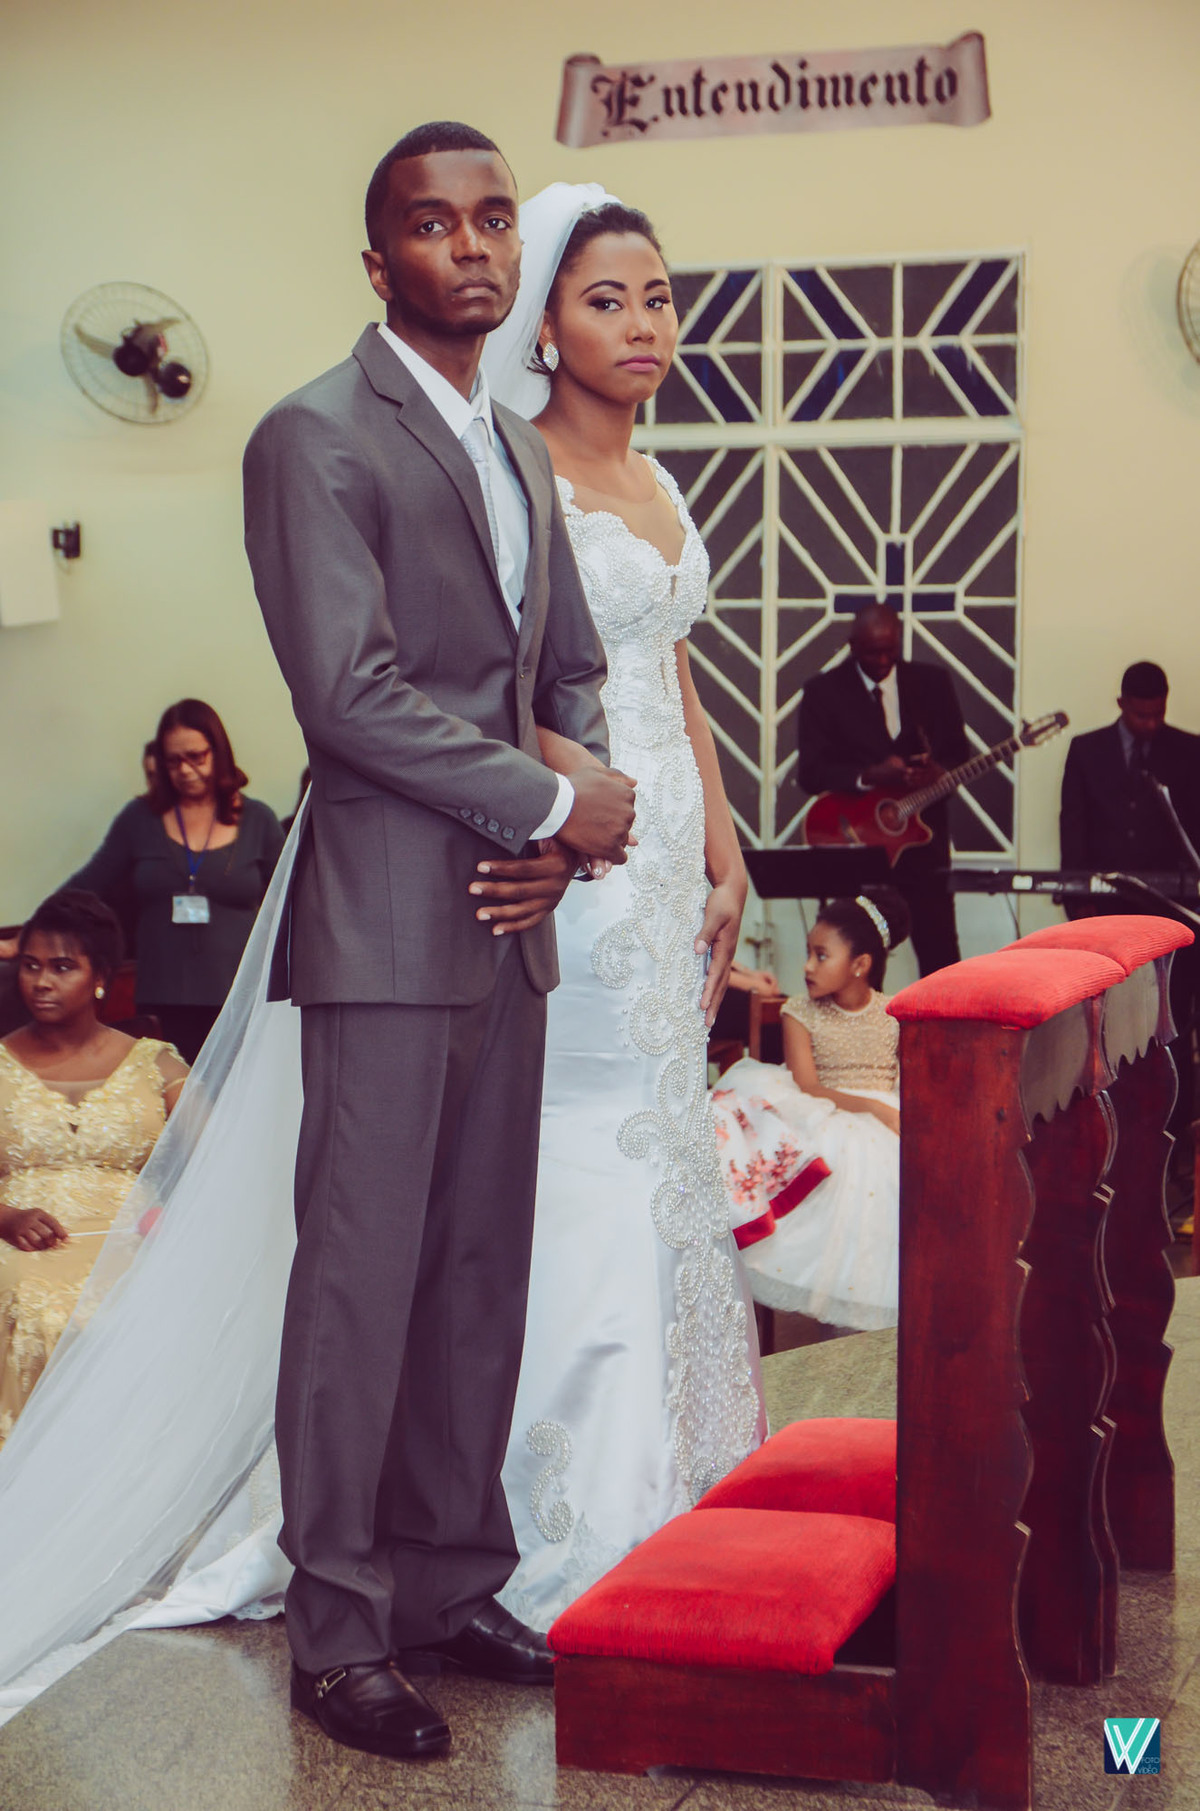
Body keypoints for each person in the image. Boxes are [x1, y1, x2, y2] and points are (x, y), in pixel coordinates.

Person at [243, 126, 636, 1762]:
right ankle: (339, 1632)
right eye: (432, 223)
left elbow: (567, 668)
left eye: (491, 219)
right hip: (388, 925)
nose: (472, 246)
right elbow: (349, 695)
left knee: (478, 1274)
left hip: (509, 924)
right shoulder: (313, 435)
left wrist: (560, 833)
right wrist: (545, 805)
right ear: (378, 259)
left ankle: (450, 1580)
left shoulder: (519, 449)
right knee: (359, 1286)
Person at [479, 184, 765, 1629]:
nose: (643, 323)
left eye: (658, 296)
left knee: (666, 1133)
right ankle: (561, 1512)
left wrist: (726, 843)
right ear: (543, 323)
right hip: (580, 858)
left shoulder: (660, 477)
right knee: (588, 1141)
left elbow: (676, 672)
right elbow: (489, 681)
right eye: (607, 299)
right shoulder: (512, 472)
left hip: (672, 862)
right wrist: (575, 809)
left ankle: (681, 1477)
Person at [0, 891, 187, 1445]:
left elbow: (221, 1161)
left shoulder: (157, 1063)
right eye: (30, 966)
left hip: (137, 1242)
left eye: (62, 967)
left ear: (100, 976)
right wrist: (5, 1217)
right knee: (36, 1309)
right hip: (20, 1245)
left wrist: (175, 1220)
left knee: (156, 1312)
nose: (41, 982)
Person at [29, 699, 283, 1064]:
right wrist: (30, 934)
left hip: (239, 998)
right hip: (163, 997)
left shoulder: (258, 819)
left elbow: (291, 900)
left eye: (196, 757)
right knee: (171, 1093)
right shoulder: (140, 818)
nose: (185, 770)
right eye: (173, 761)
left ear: (219, 752)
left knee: (234, 1095)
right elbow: (88, 883)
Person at [710, 888, 909, 1332]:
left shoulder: (895, 1014)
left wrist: (889, 1111)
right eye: (808, 954)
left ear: (860, 965)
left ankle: (871, 1325)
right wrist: (874, 1109)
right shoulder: (799, 1012)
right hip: (820, 1108)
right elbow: (808, 1085)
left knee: (894, 1173)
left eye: (821, 956)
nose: (806, 967)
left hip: (885, 1115)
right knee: (829, 1166)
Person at [796, 602, 969, 975]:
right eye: (873, 652)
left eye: (890, 650)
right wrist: (868, 775)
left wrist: (936, 772)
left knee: (941, 960)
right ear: (852, 645)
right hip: (858, 845)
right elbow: (810, 773)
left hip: (925, 849)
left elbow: (958, 755)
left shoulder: (932, 683)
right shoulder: (824, 691)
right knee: (859, 964)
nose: (883, 660)